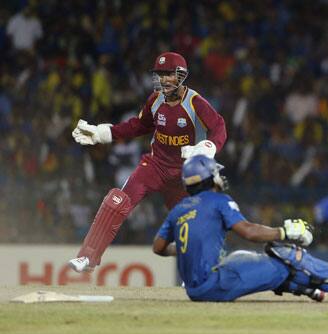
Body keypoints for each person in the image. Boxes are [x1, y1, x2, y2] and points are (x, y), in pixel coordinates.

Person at [68, 52, 227, 273]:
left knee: (194, 223)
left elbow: (219, 128)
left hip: (186, 174)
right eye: (160, 75)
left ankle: (200, 272)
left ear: (181, 76)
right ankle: (88, 257)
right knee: (117, 201)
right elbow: (138, 126)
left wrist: (207, 148)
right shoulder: (155, 100)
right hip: (155, 166)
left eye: (168, 74)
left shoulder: (196, 103)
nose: (163, 80)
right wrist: (103, 133)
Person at [152, 155, 328, 302]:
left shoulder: (179, 208)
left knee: (243, 257)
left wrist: (185, 248)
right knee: (285, 255)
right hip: (216, 284)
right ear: (208, 177)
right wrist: (284, 232)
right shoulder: (218, 201)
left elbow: (158, 247)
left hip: (194, 290)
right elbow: (249, 232)